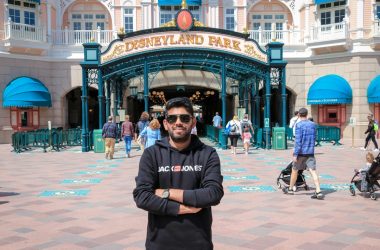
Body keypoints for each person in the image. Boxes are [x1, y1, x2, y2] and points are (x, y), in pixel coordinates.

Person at [133, 97, 224, 250]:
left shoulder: (208, 154)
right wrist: (181, 208)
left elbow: (213, 194)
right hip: (159, 244)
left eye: (184, 118)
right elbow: (142, 197)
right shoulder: (151, 154)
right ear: (165, 123)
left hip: (199, 243)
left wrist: (166, 192)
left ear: (193, 122)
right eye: (172, 118)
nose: (178, 122)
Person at [283, 108, 324, 199]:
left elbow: (298, 141)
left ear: (299, 115)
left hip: (301, 152)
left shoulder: (299, 125)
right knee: (313, 171)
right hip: (310, 151)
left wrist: (295, 154)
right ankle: (318, 191)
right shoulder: (313, 125)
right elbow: (314, 138)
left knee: (295, 170)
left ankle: (290, 189)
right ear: (307, 114)